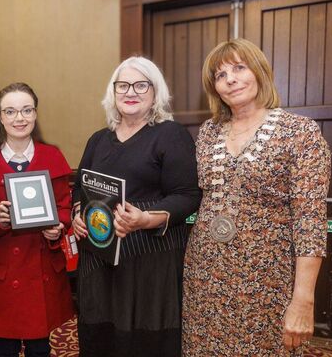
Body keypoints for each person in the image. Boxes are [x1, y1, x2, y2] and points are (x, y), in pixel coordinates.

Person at [183, 38, 331, 356]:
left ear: (260, 72)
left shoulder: (300, 132)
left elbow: (310, 222)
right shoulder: (208, 132)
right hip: (206, 275)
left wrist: (304, 298)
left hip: (267, 281)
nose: (230, 79)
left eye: (239, 68)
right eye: (220, 75)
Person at [71, 56, 201, 356]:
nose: (131, 92)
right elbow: (80, 186)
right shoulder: (97, 140)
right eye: (123, 85)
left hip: (148, 261)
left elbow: (188, 195)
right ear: (113, 92)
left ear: (155, 92)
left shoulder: (171, 135)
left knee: (142, 344)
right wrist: (78, 213)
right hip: (99, 260)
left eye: (141, 85)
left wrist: (145, 218)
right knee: (100, 337)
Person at [0, 82, 74, 357]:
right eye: (11, 111)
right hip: (2, 270)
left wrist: (57, 229)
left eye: (27, 110)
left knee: (40, 347)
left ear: (36, 114)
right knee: (4, 347)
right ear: (0, 117)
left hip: (41, 270)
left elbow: (65, 208)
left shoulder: (53, 156)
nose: (20, 118)